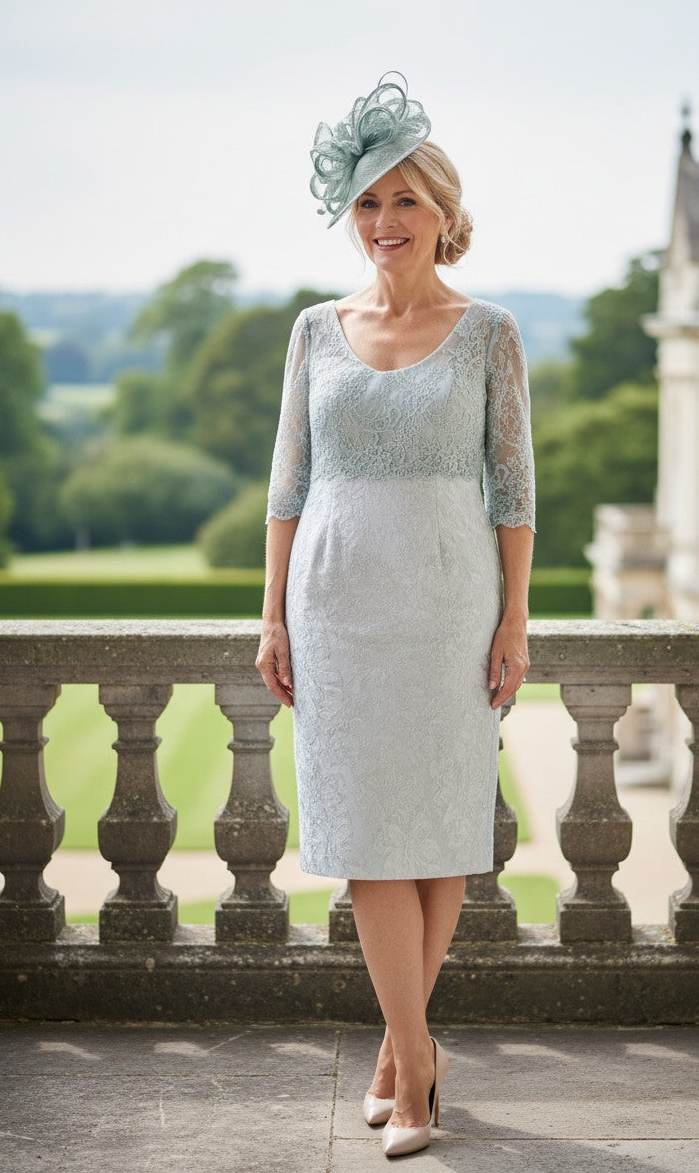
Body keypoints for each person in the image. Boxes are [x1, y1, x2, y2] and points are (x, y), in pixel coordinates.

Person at [256, 72, 536, 1158]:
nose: (384, 223)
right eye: (367, 203)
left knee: (438, 841)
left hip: (448, 604)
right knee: (371, 840)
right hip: (335, 606)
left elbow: (512, 494)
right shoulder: (312, 331)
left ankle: (396, 1052)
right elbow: (287, 484)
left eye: (405, 201)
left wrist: (514, 620)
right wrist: (271, 616)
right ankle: (417, 1069)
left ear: (444, 214)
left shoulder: (490, 333)